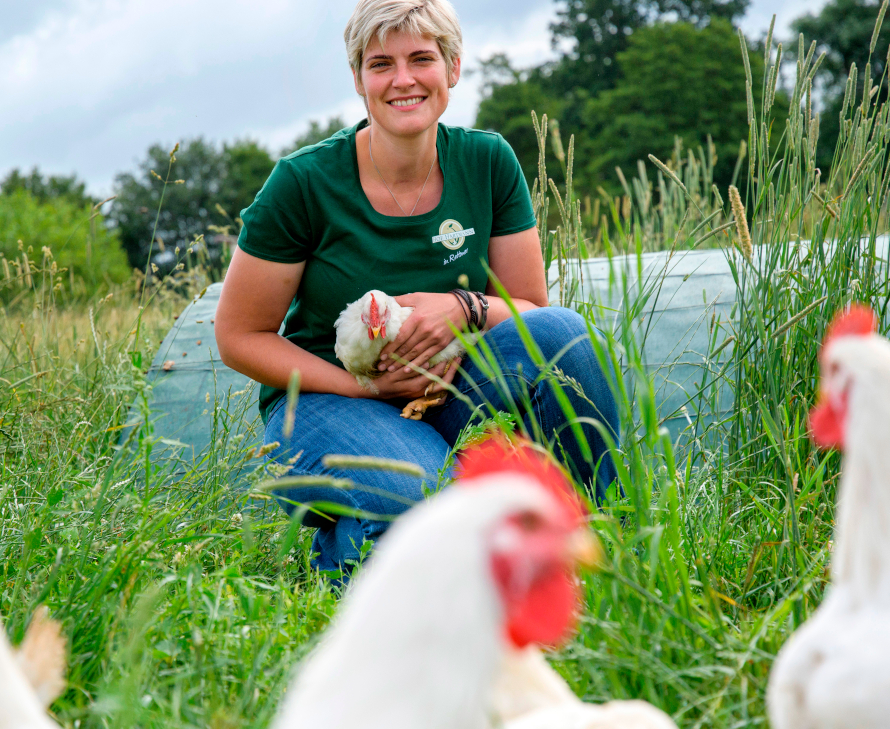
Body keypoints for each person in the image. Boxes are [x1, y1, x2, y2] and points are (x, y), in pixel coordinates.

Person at [214, 0, 619, 573]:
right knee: (434, 498)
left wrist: (464, 306)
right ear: (358, 78)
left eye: (422, 58)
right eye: (381, 64)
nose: (403, 79)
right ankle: (336, 539)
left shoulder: (487, 161)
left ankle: (594, 534)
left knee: (566, 337)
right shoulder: (302, 183)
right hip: (328, 398)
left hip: (453, 388)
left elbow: (531, 313)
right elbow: (238, 336)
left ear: (452, 68)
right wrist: (364, 389)